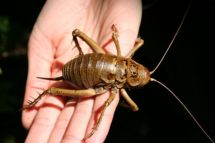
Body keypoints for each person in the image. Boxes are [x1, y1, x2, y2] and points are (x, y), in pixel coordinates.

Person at [22, 0, 142, 142]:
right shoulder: (119, 87)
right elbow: (133, 107)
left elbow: (140, 42)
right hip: (82, 76)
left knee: (76, 33)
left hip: (89, 66)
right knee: (53, 90)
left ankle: (29, 105)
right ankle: (30, 105)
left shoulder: (124, 56)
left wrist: (120, 37)